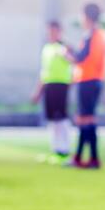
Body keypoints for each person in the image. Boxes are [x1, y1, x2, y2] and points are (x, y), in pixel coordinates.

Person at [67, 3, 105, 169]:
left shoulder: (91, 35)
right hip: (96, 80)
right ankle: (81, 156)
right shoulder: (100, 35)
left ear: (87, 17)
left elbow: (81, 58)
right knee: (85, 119)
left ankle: (92, 158)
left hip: (88, 81)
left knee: (86, 119)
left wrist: (68, 55)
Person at [32, 20, 73, 163]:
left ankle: (65, 149)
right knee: (52, 119)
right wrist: (38, 91)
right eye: (50, 31)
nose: (52, 33)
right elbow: (44, 71)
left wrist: (66, 54)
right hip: (49, 85)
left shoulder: (65, 47)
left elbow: (74, 62)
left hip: (61, 85)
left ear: (60, 31)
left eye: (55, 30)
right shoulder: (47, 49)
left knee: (62, 118)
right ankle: (56, 150)